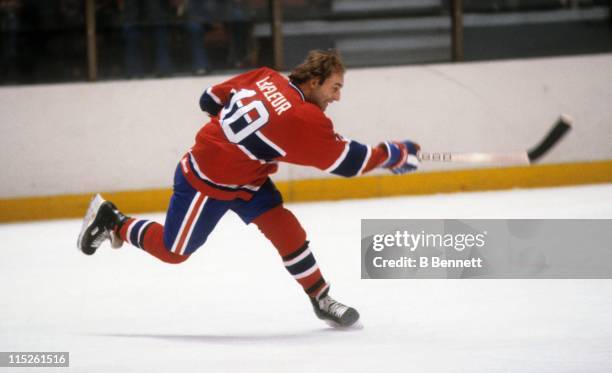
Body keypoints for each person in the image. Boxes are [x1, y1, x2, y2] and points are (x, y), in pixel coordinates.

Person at [77, 49, 420, 327]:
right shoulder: (303, 117)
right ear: (314, 82)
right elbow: (348, 163)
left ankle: (320, 298)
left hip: (246, 177)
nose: (338, 97)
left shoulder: (265, 77)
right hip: (206, 183)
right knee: (174, 251)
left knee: (286, 229)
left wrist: (240, 141)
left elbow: (209, 99)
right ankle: (113, 221)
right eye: (335, 87)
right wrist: (393, 153)